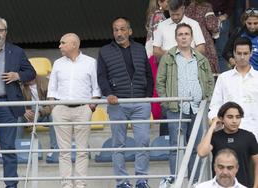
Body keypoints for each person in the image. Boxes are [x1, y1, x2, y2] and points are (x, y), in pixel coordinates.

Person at [97, 17, 153, 188]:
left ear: (130, 31)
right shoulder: (105, 51)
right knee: (118, 145)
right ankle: (122, 182)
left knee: (143, 142)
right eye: (115, 30)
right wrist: (109, 94)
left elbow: (148, 75)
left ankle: (142, 180)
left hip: (140, 102)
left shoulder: (139, 49)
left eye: (122, 29)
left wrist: (147, 96)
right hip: (117, 104)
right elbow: (102, 76)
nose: (119, 33)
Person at [156, 23, 214, 183]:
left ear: (191, 37)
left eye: (186, 34)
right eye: (180, 34)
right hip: (175, 108)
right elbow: (160, 81)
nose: (183, 37)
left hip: (197, 109)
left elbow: (209, 80)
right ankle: (175, 180)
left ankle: (194, 181)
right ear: (176, 37)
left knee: (196, 147)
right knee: (175, 147)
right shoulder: (168, 57)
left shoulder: (201, 58)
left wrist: (206, 100)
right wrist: (167, 103)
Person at [47, 33, 101, 188]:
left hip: (83, 109)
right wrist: (53, 108)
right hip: (61, 109)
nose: (59, 46)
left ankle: (80, 184)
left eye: (62, 43)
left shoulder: (91, 62)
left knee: (82, 150)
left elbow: (96, 89)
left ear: (74, 45)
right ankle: (66, 184)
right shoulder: (57, 63)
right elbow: (52, 89)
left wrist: (91, 107)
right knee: (63, 151)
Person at [0, 17, 36, 188]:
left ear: (6, 32)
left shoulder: (16, 52)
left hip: (7, 106)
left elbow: (31, 72)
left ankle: (11, 186)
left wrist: (18, 76)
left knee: (8, 148)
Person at [198, 102, 258, 187]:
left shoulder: (249, 137)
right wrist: (212, 128)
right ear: (222, 118)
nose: (234, 121)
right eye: (230, 117)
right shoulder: (215, 137)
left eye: (238, 117)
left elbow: (257, 163)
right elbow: (201, 152)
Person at [209, 37, 258, 141]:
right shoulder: (223, 78)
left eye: (245, 53)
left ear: (251, 53)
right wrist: (215, 119)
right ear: (234, 54)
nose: (242, 57)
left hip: (255, 132)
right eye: (239, 53)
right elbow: (215, 105)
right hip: (228, 135)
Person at [17, 75, 57, 150]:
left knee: (54, 117)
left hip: (43, 114)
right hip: (29, 115)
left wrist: (39, 113)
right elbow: (16, 102)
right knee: (19, 118)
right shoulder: (20, 85)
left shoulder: (46, 83)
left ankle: (54, 148)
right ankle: (16, 147)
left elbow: (51, 105)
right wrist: (23, 111)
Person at [185, 0, 220, 73]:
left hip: (190, 42)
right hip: (205, 41)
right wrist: (218, 21)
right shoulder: (207, 7)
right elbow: (212, 26)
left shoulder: (187, 9)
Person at [207, 0, 235, 72]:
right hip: (205, 18)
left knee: (221, 51)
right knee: (207, 52)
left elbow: (231, 4)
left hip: (221, 17)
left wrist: (226, 15)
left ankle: (223, 77)